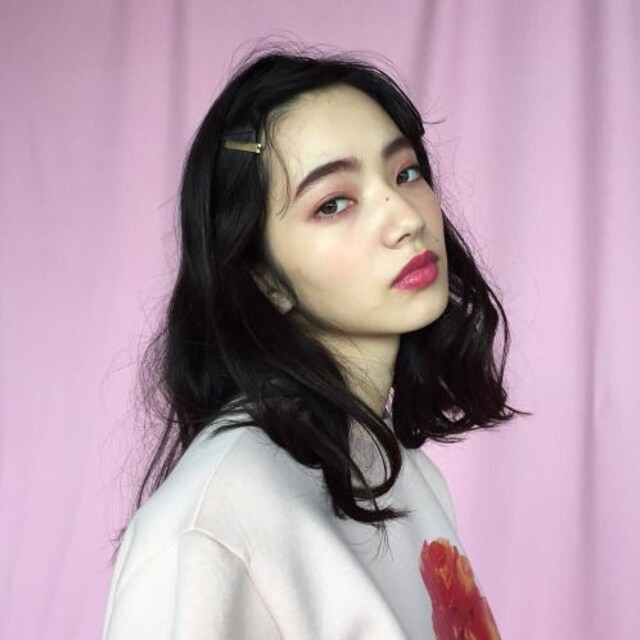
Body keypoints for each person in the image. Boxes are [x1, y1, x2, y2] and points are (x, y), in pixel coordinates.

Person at [102, 45, 528, 640]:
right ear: (264, 278)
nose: (406, 218)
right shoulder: (211, 525)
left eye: (406, 173)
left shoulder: (407, 474)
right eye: (333, 203)